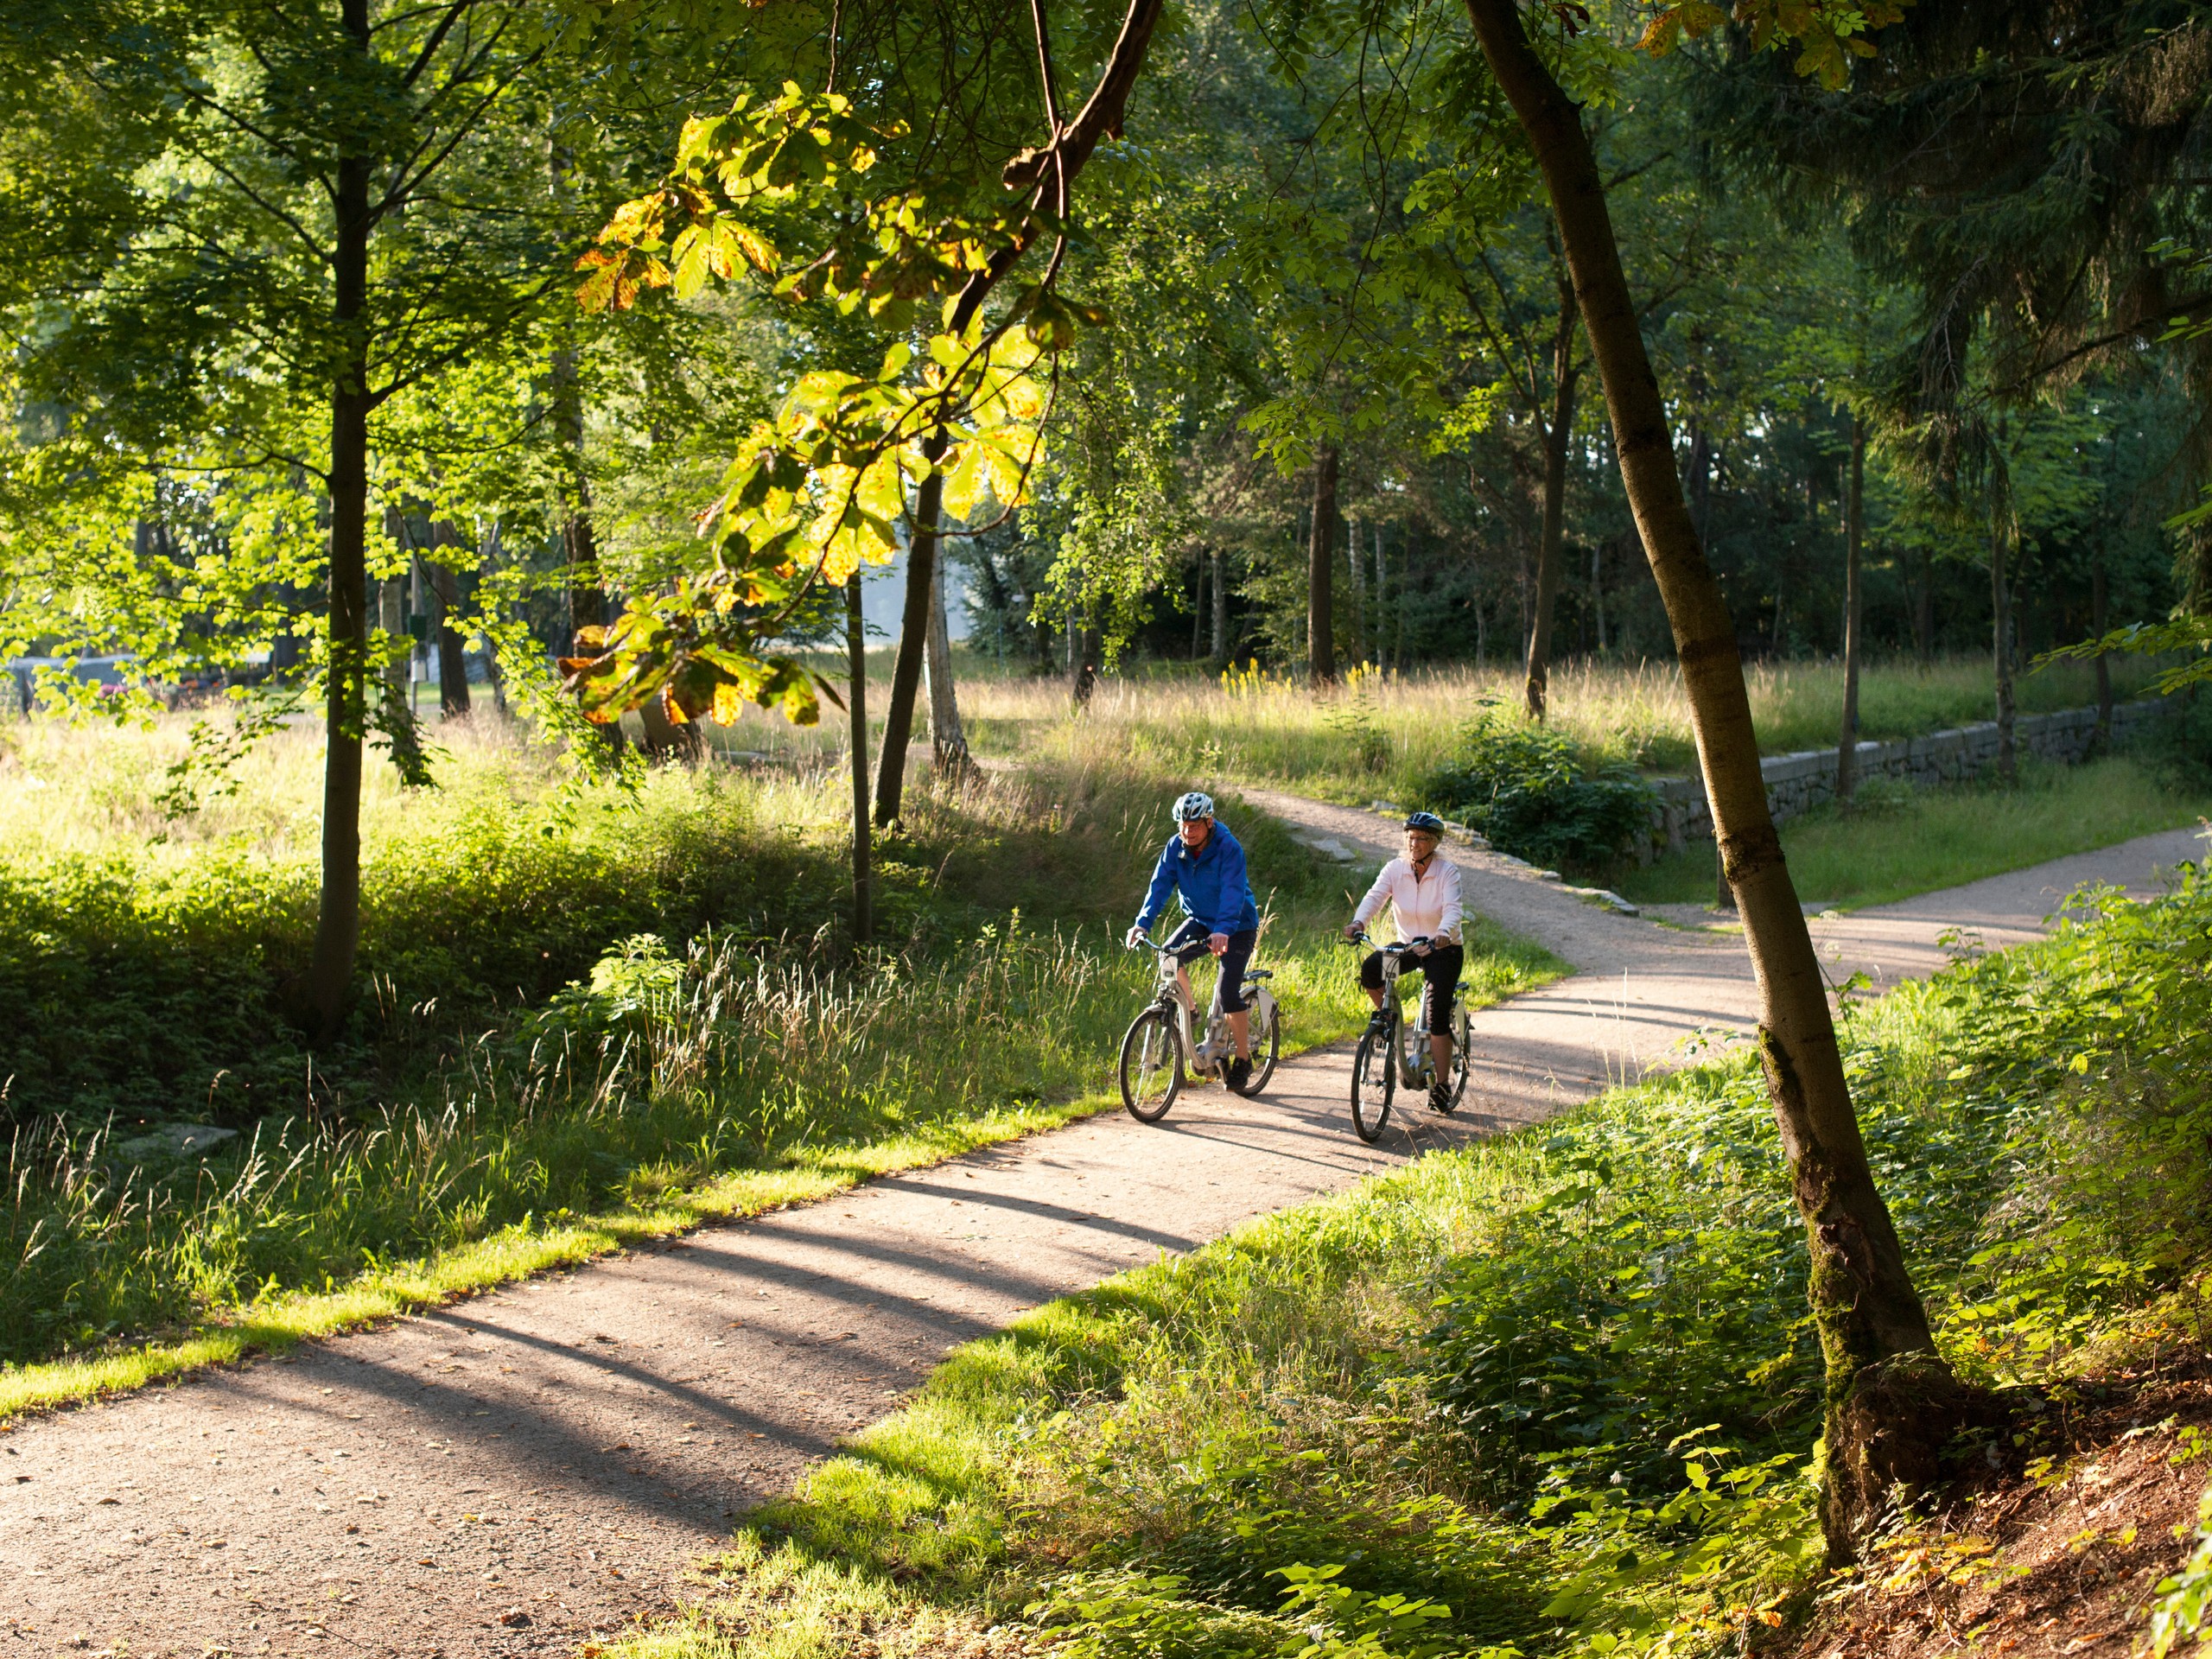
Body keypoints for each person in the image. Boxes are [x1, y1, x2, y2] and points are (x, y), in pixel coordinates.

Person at [1126, 791, 1262, 1092]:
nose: (1188, 832)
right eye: (1183, 825)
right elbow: (1159, 886)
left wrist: (1224, 930)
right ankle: (1190, 1010)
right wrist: (1141, 924)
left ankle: (1242, 1059)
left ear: (1209, 821)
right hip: (1201, 920)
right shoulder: (1176, 848)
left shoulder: (1229, 848)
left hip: (1237, 925)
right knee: (1167, 957)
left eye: (1195, 826)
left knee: (1228, 992)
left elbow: (1232, 891)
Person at [1344, 810, 1465, 1109]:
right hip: (1410, 947)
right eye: (1411, 837)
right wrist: (1359, 922)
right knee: (1371, 970)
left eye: (1422, 838)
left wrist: (1443, 932)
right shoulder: (1395, 869)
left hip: (1443, 948)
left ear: (1435, 842)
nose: (1415, 843)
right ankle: (1391, 1022)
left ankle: (1441, 1086)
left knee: (1437, 1016)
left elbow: (1453, 908)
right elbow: (1375, 897)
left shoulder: (1447, 872)